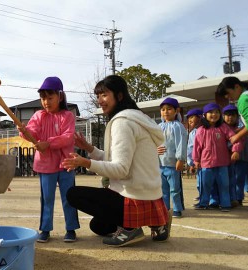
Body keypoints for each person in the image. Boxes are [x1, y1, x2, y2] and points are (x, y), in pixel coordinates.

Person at [62, 75, 169, 247]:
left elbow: (120, 169)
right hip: (149, 194)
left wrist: (86, 163)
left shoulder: (122, 123)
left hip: (132, 194)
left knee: (73, 194)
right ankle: (157, 222)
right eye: (98, 96)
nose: (100, 100)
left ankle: (130, 228)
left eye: (104, 95)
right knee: (98, 226)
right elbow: (119, 160)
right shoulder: (138, 118)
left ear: (119, 96)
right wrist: (89, 149)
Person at [18, 76, 80, 243]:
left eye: (50, 97)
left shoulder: (68, 116)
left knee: (69, 196)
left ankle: (71, 228)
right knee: (47, 198)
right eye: (43, 98)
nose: (46, 101)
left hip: (66, 162)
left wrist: (48, 143)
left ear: (60, 96)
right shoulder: (38, 116)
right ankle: (45, 229)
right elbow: (32, 133)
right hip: (45, 164)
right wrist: (24, 130)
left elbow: (68, 138)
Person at [216, 76, 248, 213]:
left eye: (228, 93)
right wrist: (239, 130)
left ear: (237, 87)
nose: (228, 98)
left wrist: (236, 136)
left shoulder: (244, 98)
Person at [192, 103, 242, 211]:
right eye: (211, 112)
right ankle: (203, 203)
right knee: (205, 185)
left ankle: (225, 204)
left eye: (216, 112)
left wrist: (236, 150)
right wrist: (196, 160)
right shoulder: (201, 130)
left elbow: (235, 139)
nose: (214, 114)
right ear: (205, 115)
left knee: (224, 185)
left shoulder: (224, 127)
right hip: (206, 164)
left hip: (222, 164)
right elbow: (196, 147)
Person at [222, 104, 248, 208]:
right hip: (238, 161)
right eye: (228, 115)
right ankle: (238, 199)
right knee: (238, 180)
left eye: (233, 115)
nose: (230, 117)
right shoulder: (225, 130)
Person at [158, 97, 187, 218]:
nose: (166, 112)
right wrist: (155, 150)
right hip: (160, 164)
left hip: (172, 164)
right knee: (163, 189)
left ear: (176, 111)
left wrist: (180, 159)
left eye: (169, 109)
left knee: (175, 188)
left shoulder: (178, 126)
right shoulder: (158, 126)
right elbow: (153, 142)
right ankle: (165, 208)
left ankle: (177, 209)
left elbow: (181, 143)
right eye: (163, 109)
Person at [186, 108, 203, 202]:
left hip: (208, 160)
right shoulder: (192, 133)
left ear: (200, 117)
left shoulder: (206, 130)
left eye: (192, 117)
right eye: (188, 118)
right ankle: (202, 195)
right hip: (197, 162)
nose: (189, 120)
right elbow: (190, 149)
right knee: (200, 181)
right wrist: (191, 163)